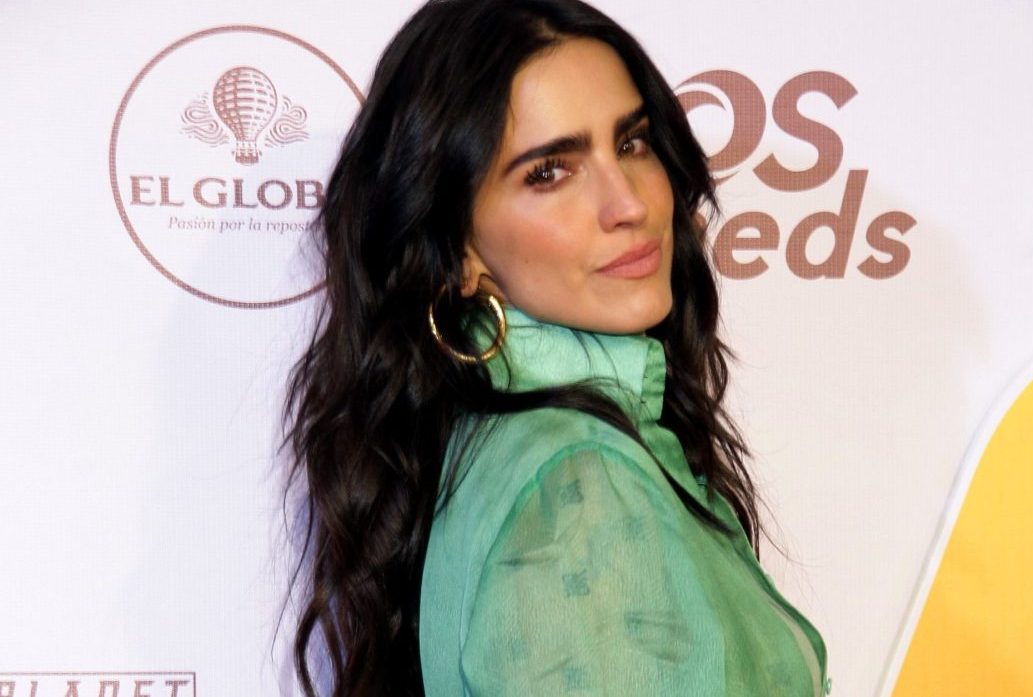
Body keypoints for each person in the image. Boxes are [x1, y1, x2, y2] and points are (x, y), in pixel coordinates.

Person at [285, 0, 828, 695]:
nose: (629, 204)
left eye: (631, 143)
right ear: (459, 249)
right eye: (549, 172)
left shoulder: (500, 444)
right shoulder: (579, 483)